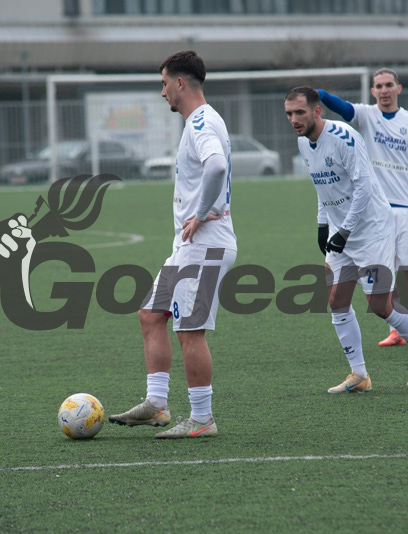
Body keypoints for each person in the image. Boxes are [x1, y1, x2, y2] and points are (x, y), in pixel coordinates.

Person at [109, 51, 236, 437]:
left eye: (164, 83)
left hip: (206, 246)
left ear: (180, 83)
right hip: (191, 247)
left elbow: (216, 165)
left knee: (189, 331)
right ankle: (157, 404)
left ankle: (202, 419)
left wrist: (199, 212)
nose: (162, 91)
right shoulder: (201, 120)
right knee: (151, 314)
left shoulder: (201, 122)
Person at [284, 86, 408, 390]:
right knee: (337, 300)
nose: (294, 119)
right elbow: (323, 187)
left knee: (380, 305)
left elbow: (364, 187)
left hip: (371, 231)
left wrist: (344, 230)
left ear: (317, 111)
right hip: (341, 232)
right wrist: (322, 225)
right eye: (289, 113)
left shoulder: (344, 137)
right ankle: (359, 375)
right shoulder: (303, 143)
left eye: (300, 112)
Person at [317, 68, 408, 348]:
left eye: (389, 85)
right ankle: (398, 330)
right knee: (385, 272)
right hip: (373, 211)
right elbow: (342, 108)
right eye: (379, 86)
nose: (384, 90)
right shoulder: (366, 115)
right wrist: (318, 94)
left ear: (399, 88)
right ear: (372, 91)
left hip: (405, 207)